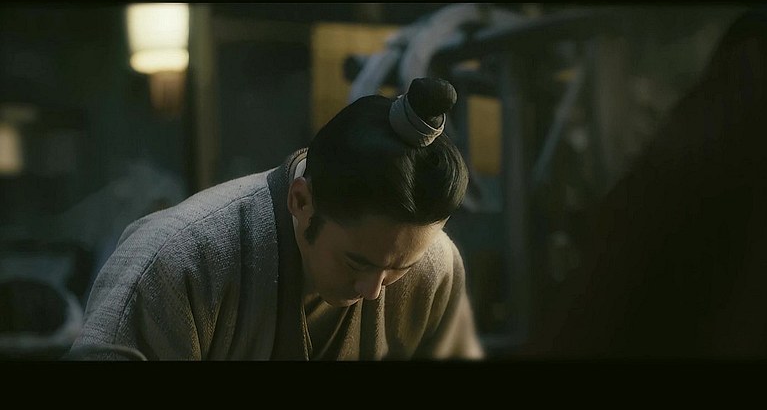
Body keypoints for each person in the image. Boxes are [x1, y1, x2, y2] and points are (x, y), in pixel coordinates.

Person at [65, 77, 484, 360]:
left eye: (398, 270)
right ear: (301, 201)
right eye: (356, 263)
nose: (373, 291)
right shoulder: (176, 264)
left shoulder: (434, 267)